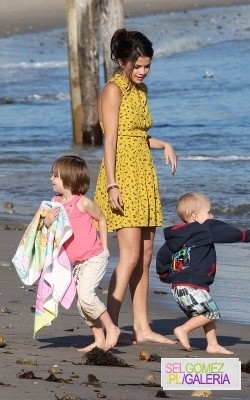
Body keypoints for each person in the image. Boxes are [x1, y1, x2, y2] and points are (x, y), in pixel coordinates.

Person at [94, 28, 177, 345]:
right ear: (121, 60)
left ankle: (142, 327)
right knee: (128, 256)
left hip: (144, 172)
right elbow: (111, 138)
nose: (142, 71)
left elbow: (137, 135)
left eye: (147, 66)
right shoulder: (113, 90)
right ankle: (109, 325)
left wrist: (162, 144)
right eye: (137, 65)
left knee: (144, 254)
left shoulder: (142, 91)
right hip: (122, 176)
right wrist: (112, 184)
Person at [156, 192, 250, 354]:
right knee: (211, 312)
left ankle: (212, 344)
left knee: (205, 312)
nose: (211, 216)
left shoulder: (175, 237)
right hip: (192, 285)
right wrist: (245, 235)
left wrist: (165, 275)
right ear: (195, 216)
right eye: (209, 212)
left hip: (178, 287)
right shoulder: (204, 229)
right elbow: (227, 232)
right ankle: (183, 330)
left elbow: (162, 256)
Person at [44, 155, 120, 352]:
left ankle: (112, 328)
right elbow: (48, 229)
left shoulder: (83, 203)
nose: (51, 179)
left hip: (94, 257)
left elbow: (102, 219)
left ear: (69, 179)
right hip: (77, 262)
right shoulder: (55, 202)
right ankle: (99, 339)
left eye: (55, 176)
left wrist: (104, 246)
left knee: (86, 297)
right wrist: (48, 222)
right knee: (82, 304)